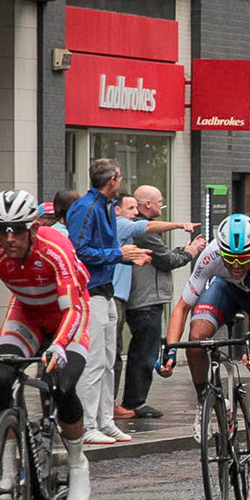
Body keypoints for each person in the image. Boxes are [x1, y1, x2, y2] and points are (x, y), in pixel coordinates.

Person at [0, 190, 95, 500]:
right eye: (2, 229)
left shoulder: (56, 247)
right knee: (3, 377)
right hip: (26, 313)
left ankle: (78, 462)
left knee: (63, 386)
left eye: (16, 230)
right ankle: (9, 469)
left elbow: (72, 308)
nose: (9, 238)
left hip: (68, 314)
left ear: (33, 228)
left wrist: (59, 345)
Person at [164, 214, 250, 500]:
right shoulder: (210, 255)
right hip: (225, 291)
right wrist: (170, 350)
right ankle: (204, 402)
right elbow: (182, 307)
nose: (235, 265)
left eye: (242, 259)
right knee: (196, 340)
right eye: (230, 258)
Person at [64, 159, 151, 447]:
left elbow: (105, 249)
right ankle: (88, 425)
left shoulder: (105, 207)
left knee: (108, 360)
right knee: (94, 361)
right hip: (90, 291)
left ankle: (104, 421)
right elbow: (79, 251)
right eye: (120, 177)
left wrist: (127, 256)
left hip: (105, 290)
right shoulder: (87, 208)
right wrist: (119, 255)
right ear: (112, 180)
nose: (121, 182)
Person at [118, 186, 194, 419]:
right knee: (143, 351)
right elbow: (165, 259)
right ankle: (135, 401)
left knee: (143, 349)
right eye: (130, 208)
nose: (132, 213)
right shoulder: (142, 229)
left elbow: (162, 254)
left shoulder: (143, 228)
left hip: (144, 297)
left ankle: (132, 401)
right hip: (145, 298)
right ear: (148, 204)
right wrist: (189, 252)